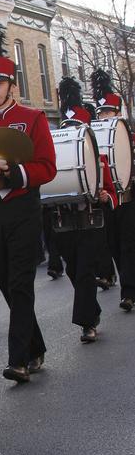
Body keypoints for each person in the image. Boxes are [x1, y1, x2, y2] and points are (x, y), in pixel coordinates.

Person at [0, 15, 56, 383]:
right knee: (7, 282)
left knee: (21, 282)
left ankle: (18, 359)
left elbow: (47, 167)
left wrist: (14, 172)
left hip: (23, 207)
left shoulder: (33, 118)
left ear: (11, 84)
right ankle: (35, 345)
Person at [50, 80, 116, 343]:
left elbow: (111, 190)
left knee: (86, 270)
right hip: (64, 220)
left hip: (91, 219)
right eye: (68, 128)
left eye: (76, 128)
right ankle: (93, 311)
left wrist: (104, 195)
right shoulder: (56, 156)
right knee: (74, 271)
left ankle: (86, 324)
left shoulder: (99, 159)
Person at [92, 68, 135, 311]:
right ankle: (123, 280)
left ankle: (129, 292)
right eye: (101, 113)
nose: (105, 116)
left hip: (129, 199)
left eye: (109, 112)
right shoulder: (95, 142)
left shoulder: (131, 138)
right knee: (114, 245)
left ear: (118, 114)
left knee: (129, 245)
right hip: (108, 201)